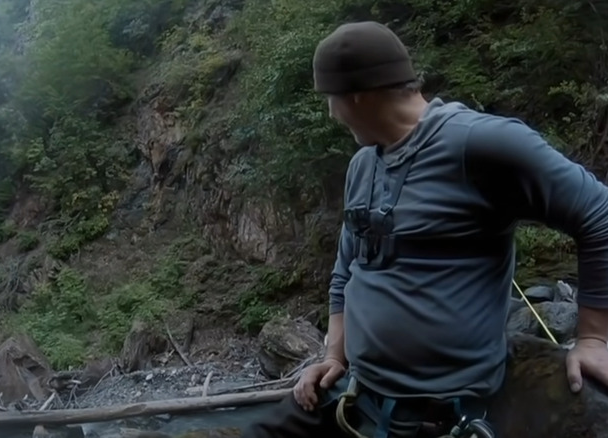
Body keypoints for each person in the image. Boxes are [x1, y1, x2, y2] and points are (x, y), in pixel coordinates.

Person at [240, 20, 608, 438]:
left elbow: (599, 214)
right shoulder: (362, 164)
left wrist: (594, 340)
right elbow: (346, 269)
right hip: (356, 396)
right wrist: (334, 356)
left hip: (440, 417)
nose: (330, 112)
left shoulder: (480, 144)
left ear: (356, 95)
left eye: (330, 98)